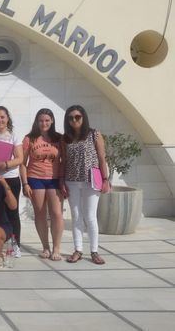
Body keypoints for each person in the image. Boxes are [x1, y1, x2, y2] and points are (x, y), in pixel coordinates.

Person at [61, 105, 110, 265]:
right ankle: (78, 249)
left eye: (77, 117)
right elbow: (64, 162)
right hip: (72, 181)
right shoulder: (65, 138)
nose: (74, 120)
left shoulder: (94, 134)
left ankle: (94, 251)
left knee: (90, 217)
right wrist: (61, 181)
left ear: (83, 118)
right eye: (71, 118)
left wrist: (105, 179)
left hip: (91, 180)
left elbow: (102, 158)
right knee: (76, 217)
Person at [20, 109, 64, 261]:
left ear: (52, 121)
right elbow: (23, 164)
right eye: (41, 120)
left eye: (47, 120)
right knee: (40, 213)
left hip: (54, 179)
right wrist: (25, 183)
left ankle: (56, 247)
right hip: (35, 178)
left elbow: (63, 161)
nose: (44, 123)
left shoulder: (59, 138)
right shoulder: (29, 139)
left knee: (57, 213)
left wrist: (63, 180)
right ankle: (45, 246)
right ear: (36, 122)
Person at [0, 106, 23, 257]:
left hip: (11, 178)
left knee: (13, 212)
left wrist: (5, 165)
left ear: (7, 118)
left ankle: (15, 245)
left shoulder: (14, 136)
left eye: (2, 117)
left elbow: (19, 158)